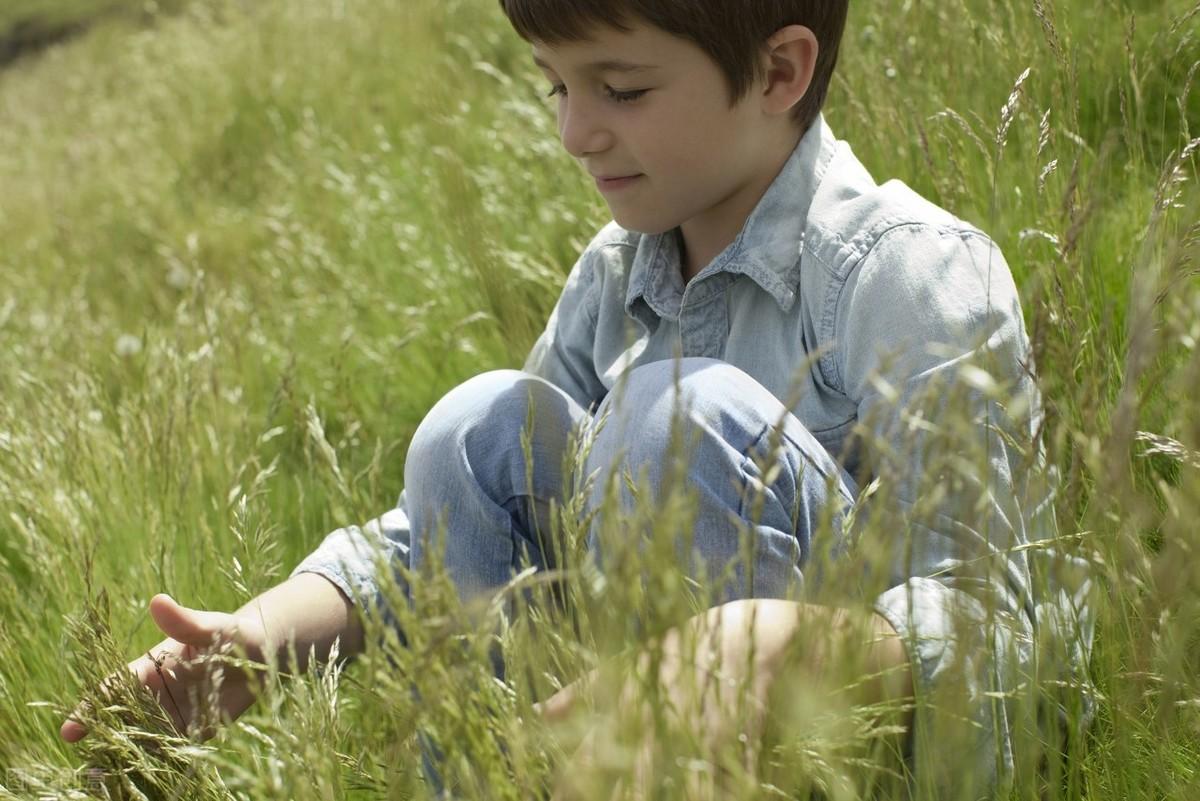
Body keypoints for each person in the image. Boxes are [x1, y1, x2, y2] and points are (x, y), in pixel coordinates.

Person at [61, 1, 1095, 797]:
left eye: (622, 89)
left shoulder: (902, 278)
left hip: (844, 740)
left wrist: (792, 647)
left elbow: (999, 622)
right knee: (477, 431)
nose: (573, 132)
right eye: (556, 85)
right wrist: (262, 636)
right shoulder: (615, 280)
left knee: (675, 422)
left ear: (779, 70)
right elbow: (432, 540)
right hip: (610, 730)